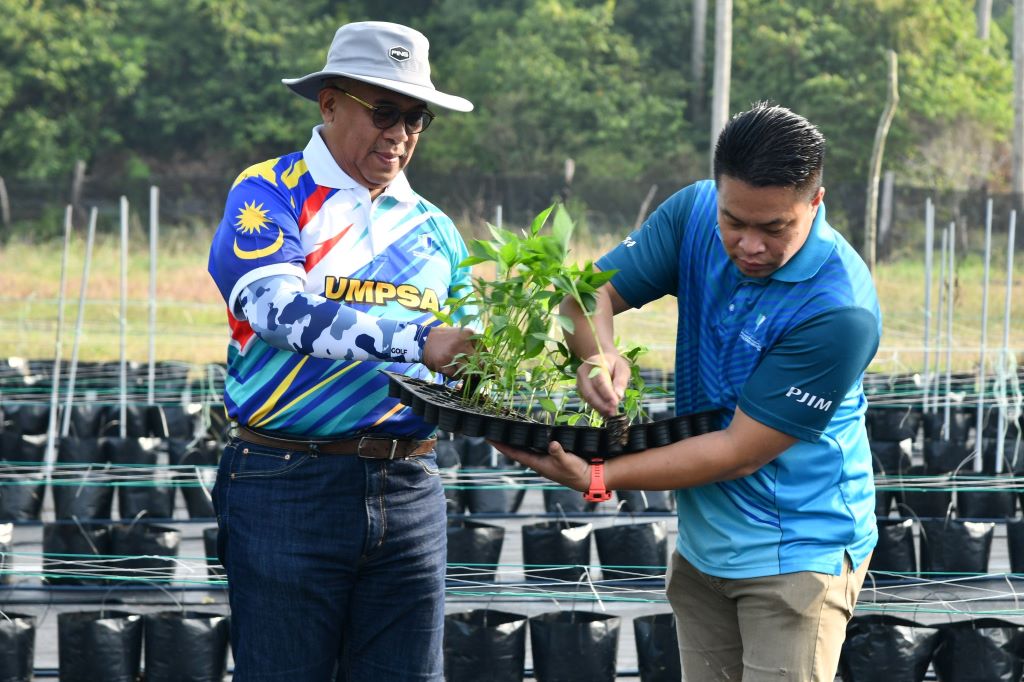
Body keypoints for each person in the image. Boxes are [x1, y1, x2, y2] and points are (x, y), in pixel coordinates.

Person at [494, 103, 881, 682]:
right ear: (718, 193)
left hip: (798, 550)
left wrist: (599, 476)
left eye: (774, 228)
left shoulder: (838, 308)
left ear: (815, 203)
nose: (749, 244)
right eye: (735, 221)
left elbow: (738, 451)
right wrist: (599, 355)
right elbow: (584, 296)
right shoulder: (695, 213)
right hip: (703, 547)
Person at [207, 21, 475, 681]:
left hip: (409, 487)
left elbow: (467, 363)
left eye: (417, 119)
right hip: (287, 483)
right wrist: (419, 339)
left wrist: (549, 423)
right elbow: (277, 312)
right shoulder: (269, 193)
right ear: (329, 103)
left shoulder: (437, 230)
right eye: (384, 111)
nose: (401, 134)